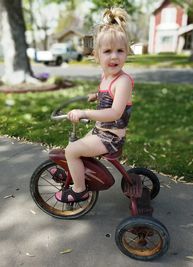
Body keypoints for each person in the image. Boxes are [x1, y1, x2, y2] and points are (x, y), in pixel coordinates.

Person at [55, 7, 134, 203]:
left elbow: (115, 112)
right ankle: (78, 172)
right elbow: (106, 94)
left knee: (72, 151)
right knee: (74, 146)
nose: (114, 56)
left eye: (120, 51)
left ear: (127, 53)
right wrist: (95, 95)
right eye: (107, 51)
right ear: (97, 55)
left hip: (111, 138)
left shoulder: (123, 81)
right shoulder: (106, 76)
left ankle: (80, 190)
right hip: (101, 132)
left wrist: (84, 112)